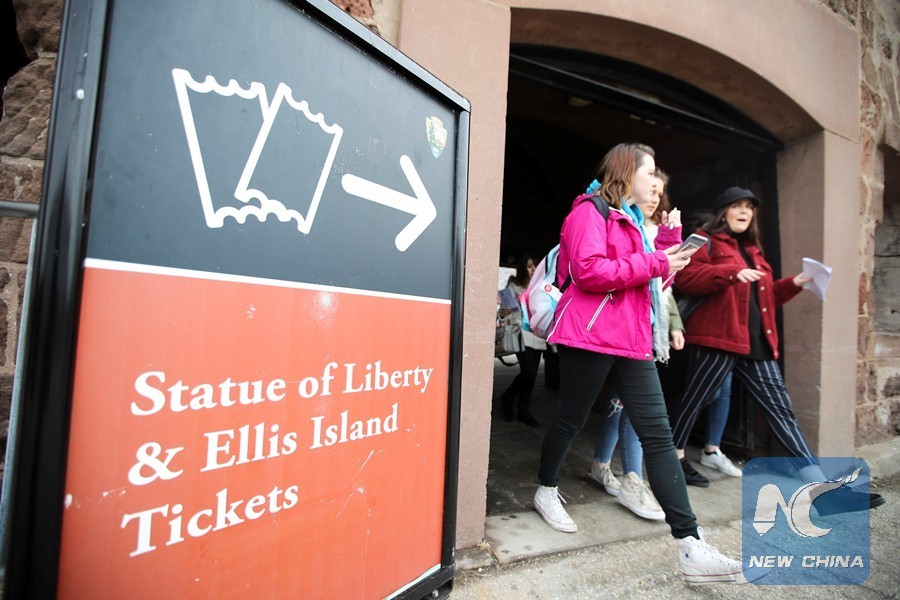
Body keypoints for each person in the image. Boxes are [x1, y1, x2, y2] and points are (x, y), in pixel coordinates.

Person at [533, 143, 749, 585]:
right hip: (590, 336)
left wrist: (668, 246)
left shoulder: (633, 221)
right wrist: (655, 258)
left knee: (659, 435)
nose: (656, 183)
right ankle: (546, 489)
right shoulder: (588, 212)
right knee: (571, 420)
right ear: (626, 171)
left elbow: (651, 281)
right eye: (650, 173)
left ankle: (690, 545)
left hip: (633, 341)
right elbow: (590, 271)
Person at [670, 186, 886, 512]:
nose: (744, 212)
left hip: (756, 342)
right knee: (694, 400)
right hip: (719, 338)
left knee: (781, 412)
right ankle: (671, 461)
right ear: (723, 212)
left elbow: (765, 298)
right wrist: (730, 272)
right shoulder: (706, 240)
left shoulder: (753, 251)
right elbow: (686, 279)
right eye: (737, 206)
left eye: (749, 207)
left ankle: (823, 494)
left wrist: (794, 284)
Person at [589, 168, 681, 521]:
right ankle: (610, 468)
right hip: (621, 330)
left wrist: (674, 325)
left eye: (660, 192)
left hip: (647, 332)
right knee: (618, 406)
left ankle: (622, 474)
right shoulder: (619, 223)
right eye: (650, 188)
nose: (655, 197)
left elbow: (664, 291)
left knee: (627, 407)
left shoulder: (656, 231)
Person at [499, 255, 546, 427]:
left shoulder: (540, 288)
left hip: (538, 336)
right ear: (522, 269)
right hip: (521, 334)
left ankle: (523, 408)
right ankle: (509, 395)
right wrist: (505, 311)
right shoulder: (513, 287)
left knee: (532, 376)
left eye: (535, 266)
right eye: (529, 266)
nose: (533, 269)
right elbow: (503, 313)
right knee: (529, 372)